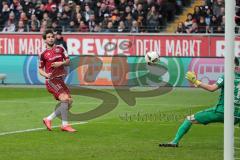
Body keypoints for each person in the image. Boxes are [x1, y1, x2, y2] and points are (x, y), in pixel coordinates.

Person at [159, 57, 240, 147]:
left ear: (235, 66)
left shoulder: (226, 76)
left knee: (189, 119)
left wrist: (196, 82)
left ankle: (174, 142)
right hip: (238, 115)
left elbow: (212, 88)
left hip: (222, 112)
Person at [39, 29, 76, 132]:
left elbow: (68, 61)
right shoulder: (43, 53)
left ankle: (48, 119)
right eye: (48, 37)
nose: (51, 38)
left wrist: (61, 64)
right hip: (51, 80)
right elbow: (40, 69)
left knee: (69, 102)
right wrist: (46, 74)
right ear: (45, 40)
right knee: (64, 99)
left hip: (60, 80)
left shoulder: (61, 49)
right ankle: (65, 125)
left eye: (52, 36)